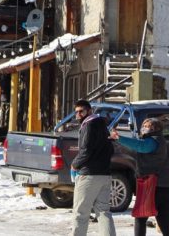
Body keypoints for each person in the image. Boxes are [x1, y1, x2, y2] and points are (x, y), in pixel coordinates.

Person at [110, 118, 169, 236]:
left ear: (157, 129)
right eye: (144, 125)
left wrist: (119, 138)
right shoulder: (160, 141)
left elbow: (140, 146)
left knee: (141, 217)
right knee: (163, 221)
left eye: (149, 126)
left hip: (156, 187)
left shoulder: (153, 141)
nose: (145, 128)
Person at [71, 99, 116, 236]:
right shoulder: (102, 125)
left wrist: (74, 165)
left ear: (89, 111)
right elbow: (110, 149)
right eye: (76, 112)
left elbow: (86, 150)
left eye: (81, 111)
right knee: (103, 212)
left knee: (80, 213)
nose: (78, 114)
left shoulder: (89, 125)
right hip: (104, 175)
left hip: (89, 175)